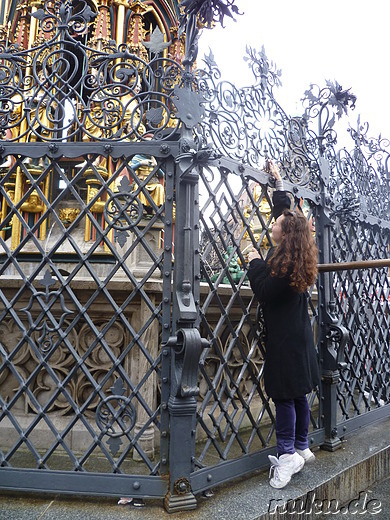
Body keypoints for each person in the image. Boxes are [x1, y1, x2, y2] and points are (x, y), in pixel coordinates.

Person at [247, 161, 320, 489]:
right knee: (299, 393)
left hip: (286, 341)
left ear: (284, 234)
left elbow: (263, 291)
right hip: (299, 337)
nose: (274, 221)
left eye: (276, 221)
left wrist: (253, 260)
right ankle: (303, 446)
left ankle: (287, 454)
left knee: (285, 396)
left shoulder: (281, 267)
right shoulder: (296, 256)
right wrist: (278, 186)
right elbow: (289, 216)